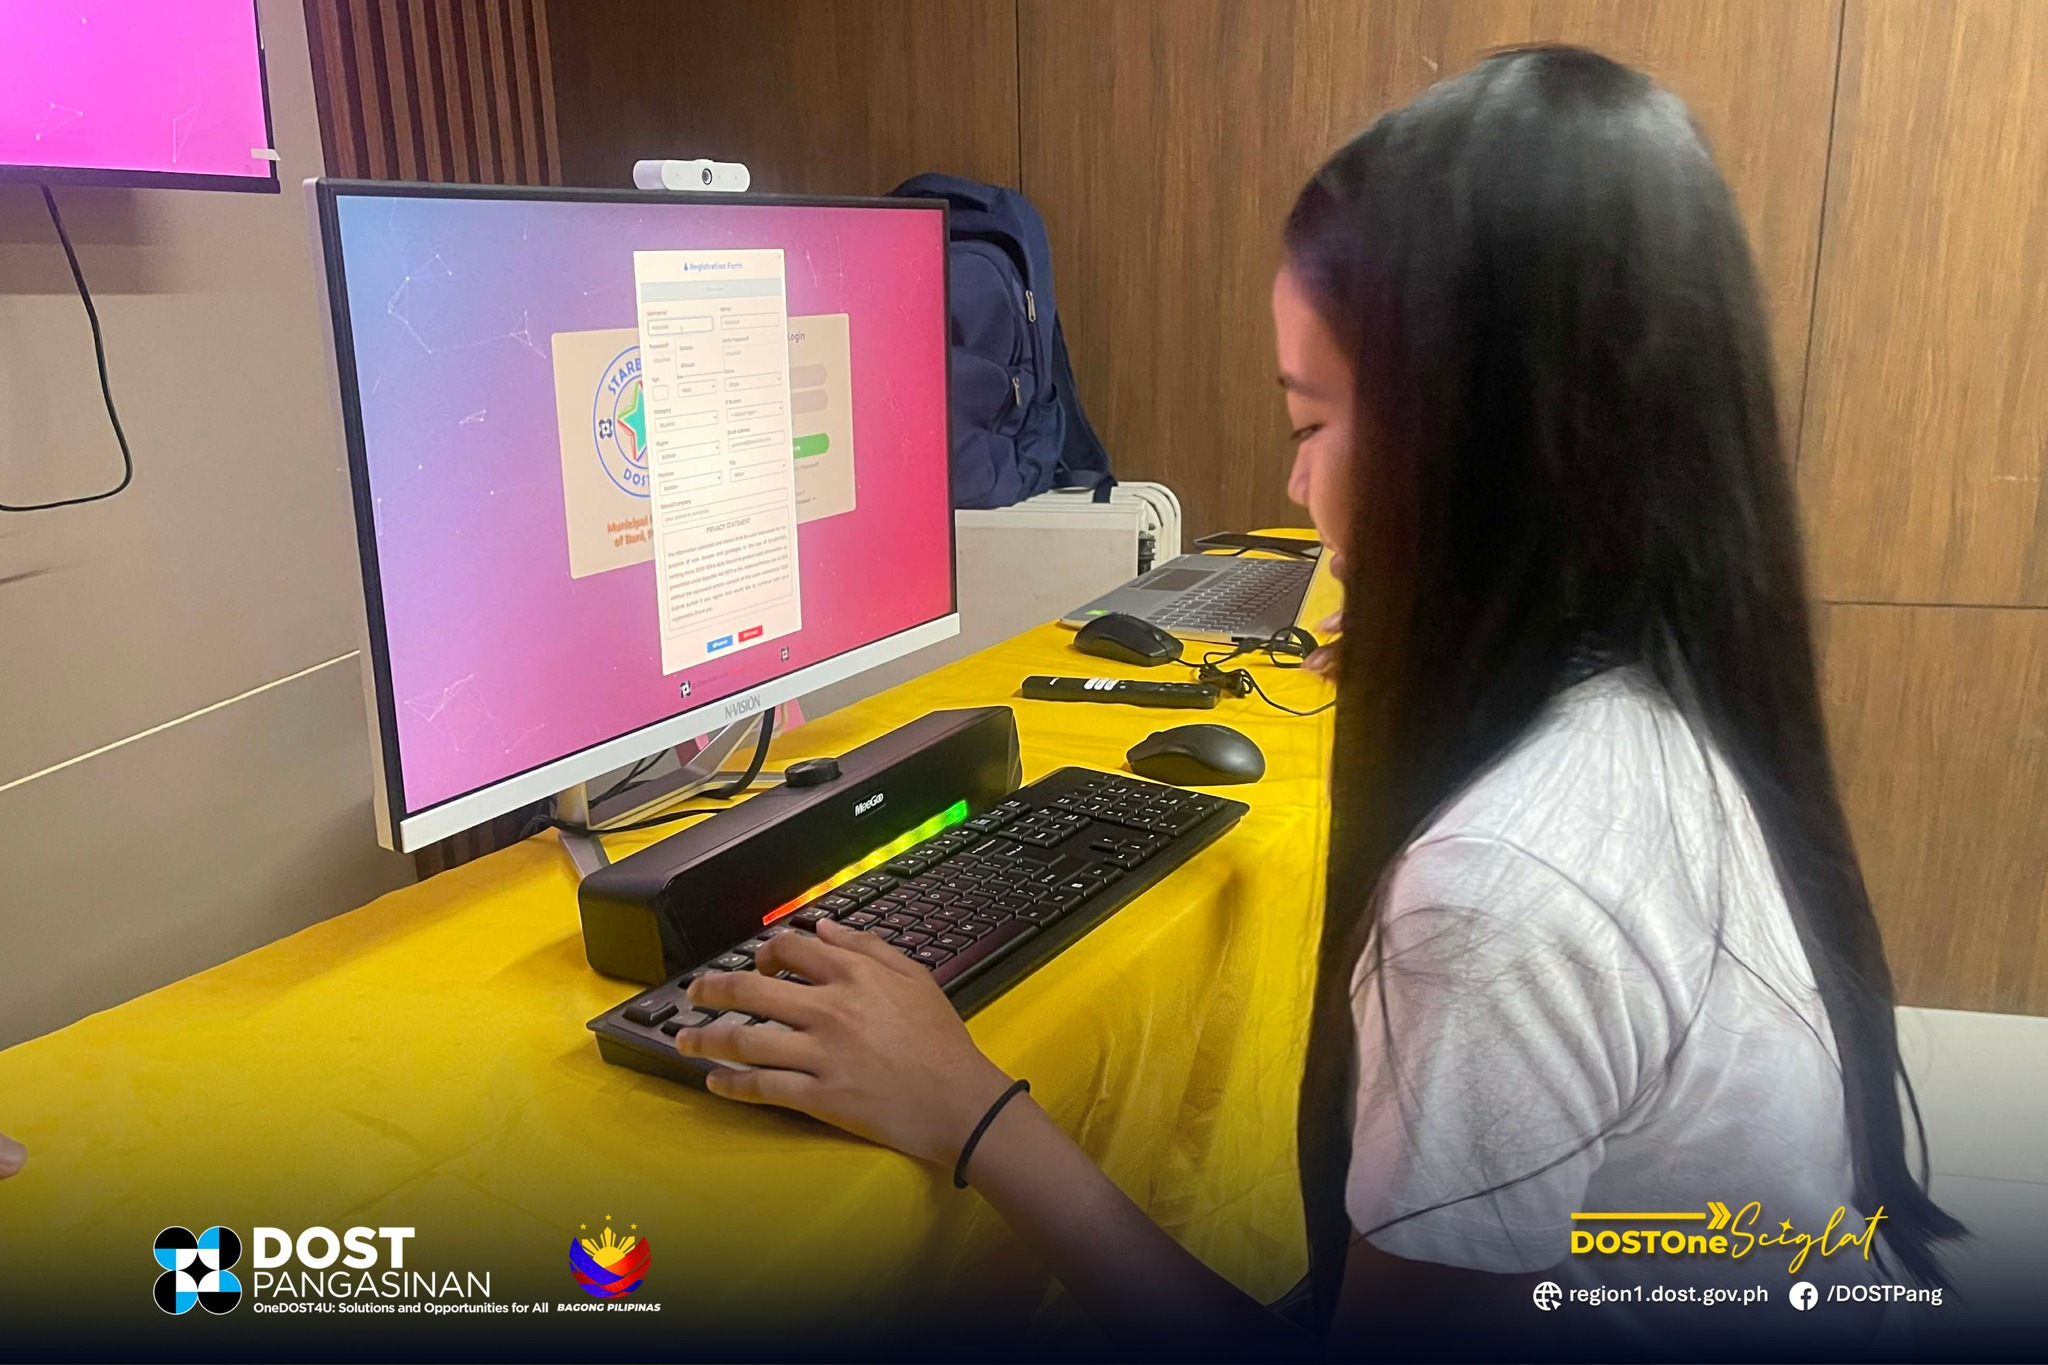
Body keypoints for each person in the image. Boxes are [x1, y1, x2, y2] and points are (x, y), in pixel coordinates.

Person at [668, 46, 1960, 1357]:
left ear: (1476, 450)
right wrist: (1434, 654)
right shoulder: (1670, 703)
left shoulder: (1497, 895)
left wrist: (973, 1114)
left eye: (1313, 423)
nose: (1297, 488)